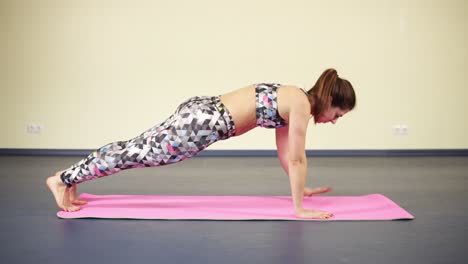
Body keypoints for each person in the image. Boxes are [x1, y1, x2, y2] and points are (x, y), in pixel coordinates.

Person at [46, 68, 356, 219]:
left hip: (202, 111)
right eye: (338, 113)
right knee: (139, 153)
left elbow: (286, 156)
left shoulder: (293, 97)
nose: (334, 119)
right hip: (205, 122)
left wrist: (300, 189)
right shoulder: (300, 104)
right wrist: (300, 209)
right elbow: (299, 158)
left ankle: (71, 177)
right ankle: (62, 179)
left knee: (134, 148)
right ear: (328, 100)